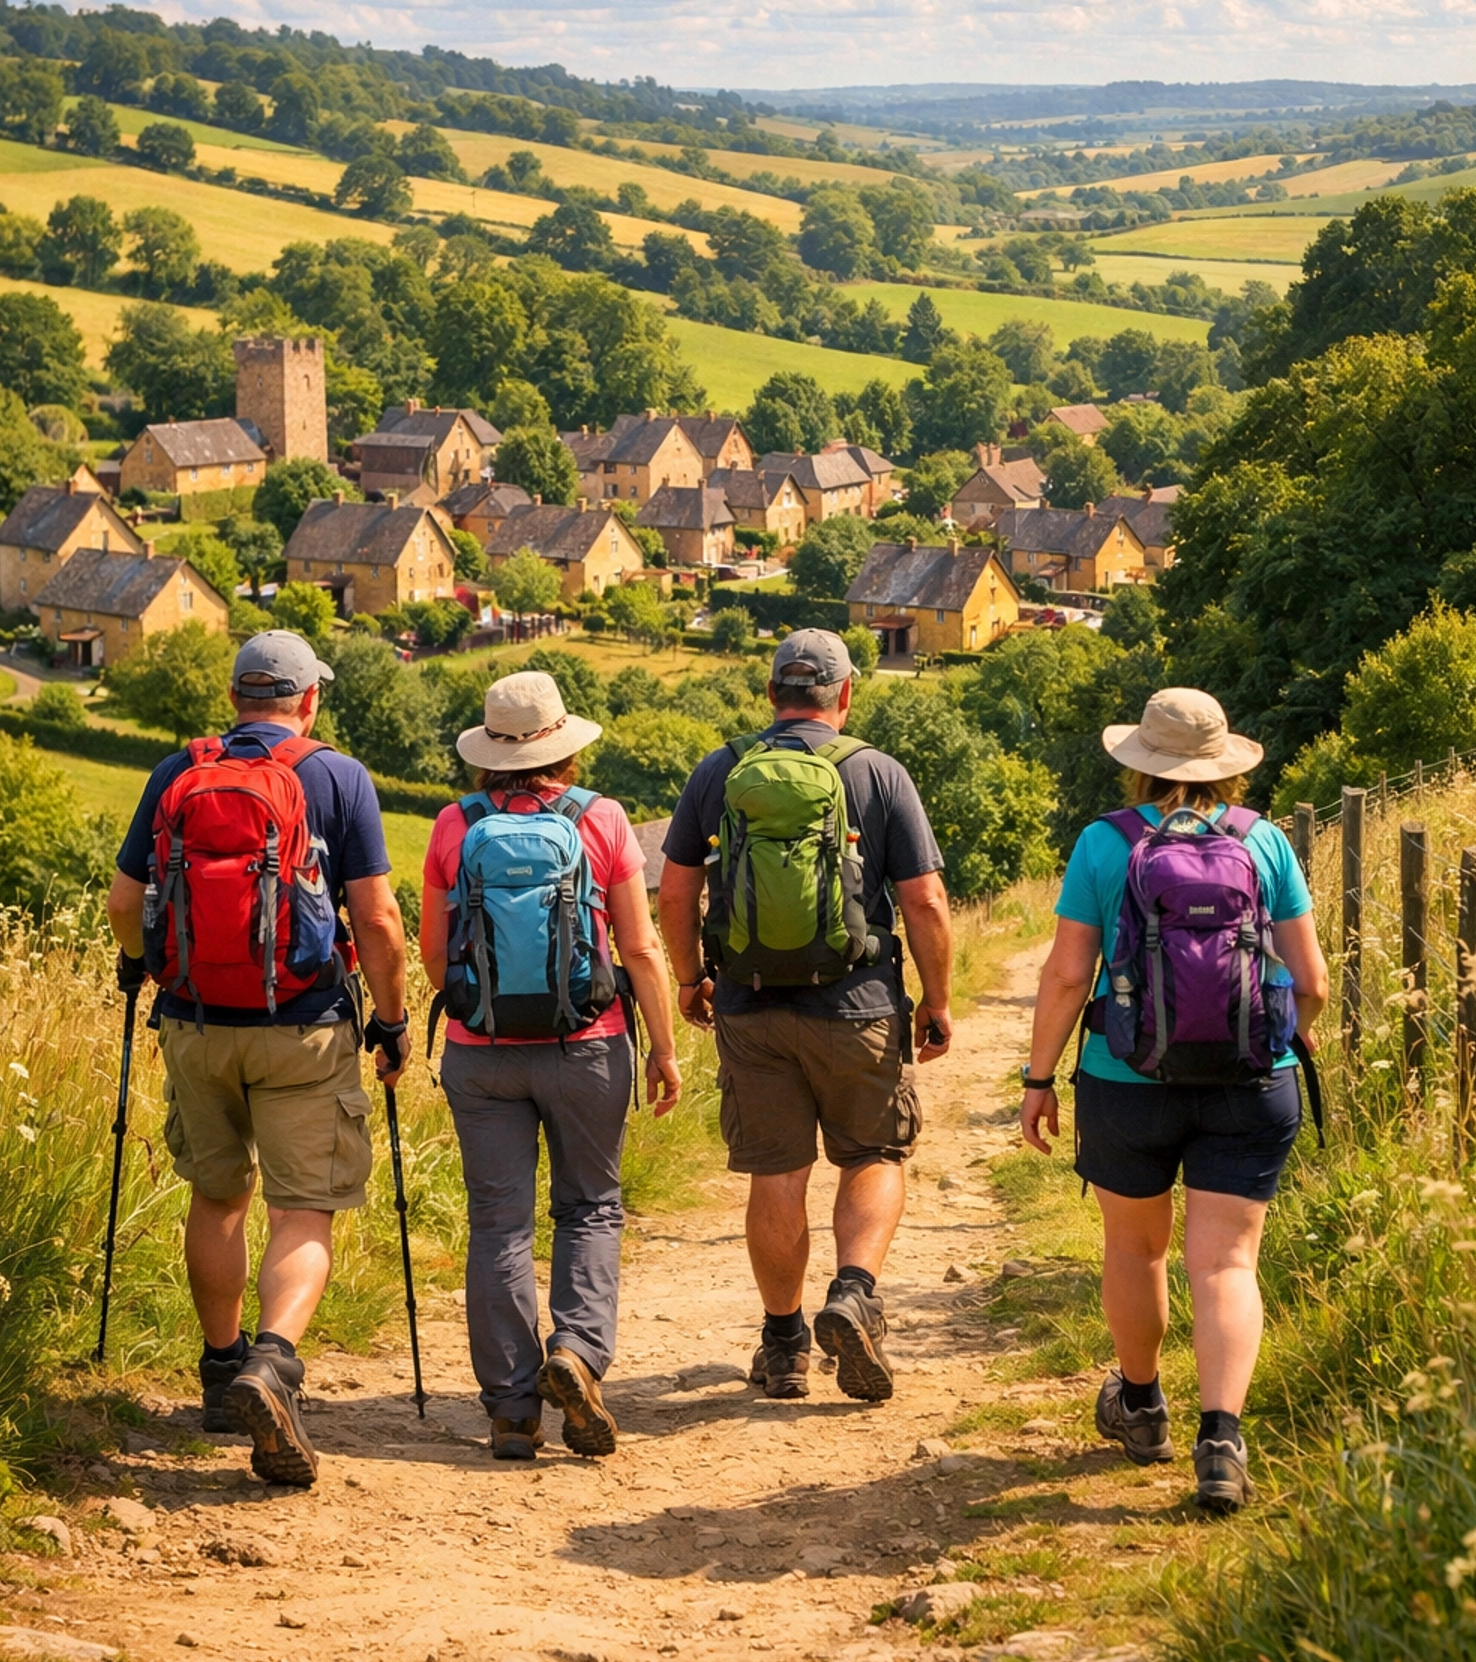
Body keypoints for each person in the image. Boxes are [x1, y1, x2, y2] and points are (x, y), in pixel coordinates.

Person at [106, 630, 408, 1489]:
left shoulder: (177, 773)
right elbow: (378, 922)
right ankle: (272, 1365)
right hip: (303, 1026)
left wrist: (144, 964)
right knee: (305, 1207)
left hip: (195, 1023)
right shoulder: (337, 777)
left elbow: (126, 900)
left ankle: (216, 1370)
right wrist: (390, 1023)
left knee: (217, 1193)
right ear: (309, 698)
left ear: (237, 696)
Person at [1020, 687, 1329, 1512]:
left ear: (1139, 764)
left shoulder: (1102, 844)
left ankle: (1143, 1403)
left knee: (1136, 1249)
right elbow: (1314, 983)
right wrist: (1262, 1040)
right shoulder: (1263, 842)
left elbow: (1063, 976)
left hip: (1127, 1083)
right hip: (1250, 1082)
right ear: (1224, 765)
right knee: (1227, 1261)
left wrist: (1040, 1078)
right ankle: (1222, 1443)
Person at [658, 630, 954, 1406]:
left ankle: (784, 1343)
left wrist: (691, 979)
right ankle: (853, 1294)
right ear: (845, 693)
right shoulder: (878, 772)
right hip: (858, 1004)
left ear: (770, 696)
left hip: (752, 1003)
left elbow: (676, 891)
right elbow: (923, 900)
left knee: (776, 1172)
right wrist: (938, 1000)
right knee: (872, 1155)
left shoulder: (721, 770)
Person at [421, 669, 679, 1463]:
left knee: (498, 1222)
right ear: (562, 745)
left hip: (482, 1054)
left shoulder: (453, 825)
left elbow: (436, 956)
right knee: (591, 1207)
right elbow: (637, 947)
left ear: (488, 752)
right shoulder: (601, 819)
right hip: (589, 1044)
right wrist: (663, 1048)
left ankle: (509, 1411)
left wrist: (480, 1009)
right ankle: (576, 1354)